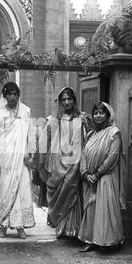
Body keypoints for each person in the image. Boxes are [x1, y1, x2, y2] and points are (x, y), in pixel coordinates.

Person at [38, 86, 92, 238]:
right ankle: (59, 223)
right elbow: (44, 141)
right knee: (56, 191)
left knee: (72, 192)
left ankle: (71, 228)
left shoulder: (83, 118)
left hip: (74, 163)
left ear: (74, 100)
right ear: (60, 102)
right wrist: (40, 160)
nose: (67, 102)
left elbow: (88, 139)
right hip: (57, 162)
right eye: (64, 99)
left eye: (69, 99)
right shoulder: (53, 119)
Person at [78, 101, 126, 253]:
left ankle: (109, 241)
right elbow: (83, 154)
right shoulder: (91, 134)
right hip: (90, 178)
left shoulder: (114, 133)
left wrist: (97, 174)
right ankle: (92, 240)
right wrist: (86, 174)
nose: (98, 115)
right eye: (96, 113)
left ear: (108, 115)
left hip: (105, 177)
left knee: (105, 209)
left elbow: (112, 157)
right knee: (91, 209)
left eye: (101, 112)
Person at [0, 82, 36, 239]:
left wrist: (30, 154)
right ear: (4, 96)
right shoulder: (0, 113)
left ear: (18, 95)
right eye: (9, 94)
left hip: (20, 158)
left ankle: (20, 226)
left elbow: (31, 133)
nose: (12, 97)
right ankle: (3, 225)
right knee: (3, 191)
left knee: (21, 189)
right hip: (4, 159)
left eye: (15, 94)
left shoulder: (26, 111)